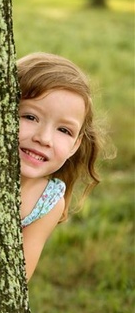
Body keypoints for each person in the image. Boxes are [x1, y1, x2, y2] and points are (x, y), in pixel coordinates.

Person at [17, 52, 103, 281]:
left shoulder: (49, 201)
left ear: (76, 145)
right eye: (30, 117)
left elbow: (19, 275)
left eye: (63, 130)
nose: (44, 138)